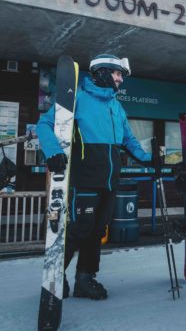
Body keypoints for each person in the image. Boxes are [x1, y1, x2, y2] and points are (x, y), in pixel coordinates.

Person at [37, 54, 151, 300]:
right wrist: (53, 152)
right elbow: (44, 124)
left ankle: (85, 278)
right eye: (117, 73)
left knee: (97, 230)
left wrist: (149, 159)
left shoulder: (115, 106)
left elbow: (129, 140)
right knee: (79, 229)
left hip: (110, 181)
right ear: (102, 72)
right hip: (85, 179)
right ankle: (56, 275)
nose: (121, 79)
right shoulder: (76, 98)